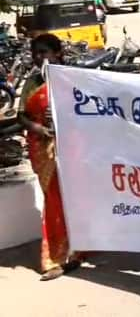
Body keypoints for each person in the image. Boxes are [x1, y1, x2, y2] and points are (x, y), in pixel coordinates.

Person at [18, 34, 82, 281]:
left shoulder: (69, 79)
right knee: (53, 201)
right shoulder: (32, 82)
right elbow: (21, 116)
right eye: (35, 53)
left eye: (44, 52)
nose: (39, 57)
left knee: (73, 199)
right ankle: (55, 258)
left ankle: (77, 250)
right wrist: (37, 129)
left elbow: (83, 111)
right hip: (42, 149)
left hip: (71, 148)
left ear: (57, 54)